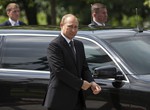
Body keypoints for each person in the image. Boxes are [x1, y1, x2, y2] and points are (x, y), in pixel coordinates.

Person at [43, 14, 101, 110]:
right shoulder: (55, 45)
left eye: (76, 27)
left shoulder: (79, 45)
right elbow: (59, 70)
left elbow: (84, 68)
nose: (73, 30)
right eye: (70, 26)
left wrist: (92, 82)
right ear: (61, 25)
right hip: (59, 100)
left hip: (77, 99)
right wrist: (81, 83)